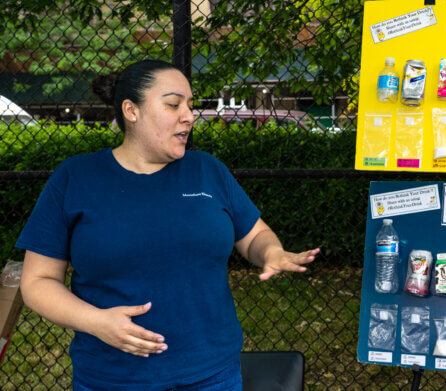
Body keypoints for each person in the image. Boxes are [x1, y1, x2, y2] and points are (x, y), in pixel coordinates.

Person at [16, 59, 319, 390]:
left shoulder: (208, 170)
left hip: (213, 375)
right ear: (132, 111)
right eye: (173, 104)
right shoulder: (75, 178)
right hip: (111, 378)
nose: (189, 115)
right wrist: (96, 322)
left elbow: (254, 234)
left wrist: (271, 251)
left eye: (189, 105)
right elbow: (37, 281)